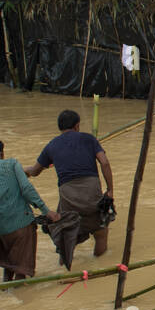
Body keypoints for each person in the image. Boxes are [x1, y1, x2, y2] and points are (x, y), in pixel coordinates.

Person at [24, 109, 114, 258]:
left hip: (69, 198)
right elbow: (104, 162)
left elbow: (34, 171)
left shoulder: (51, 145)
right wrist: (110, 190)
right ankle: (98, 265)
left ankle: (65, 266)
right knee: (101, 232)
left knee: (66, 235)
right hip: (92, 194)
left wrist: (23, 171)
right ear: (77, 126)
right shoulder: (89, 139)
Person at [0, 137, 59, 283]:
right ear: (1, 154)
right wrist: (46, 210)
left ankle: (6, 290)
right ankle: (21, 298)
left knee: (9, 265)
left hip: (1, 229)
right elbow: (26, 189)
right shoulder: (11, 164)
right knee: (21, 271)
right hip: (21, 223)